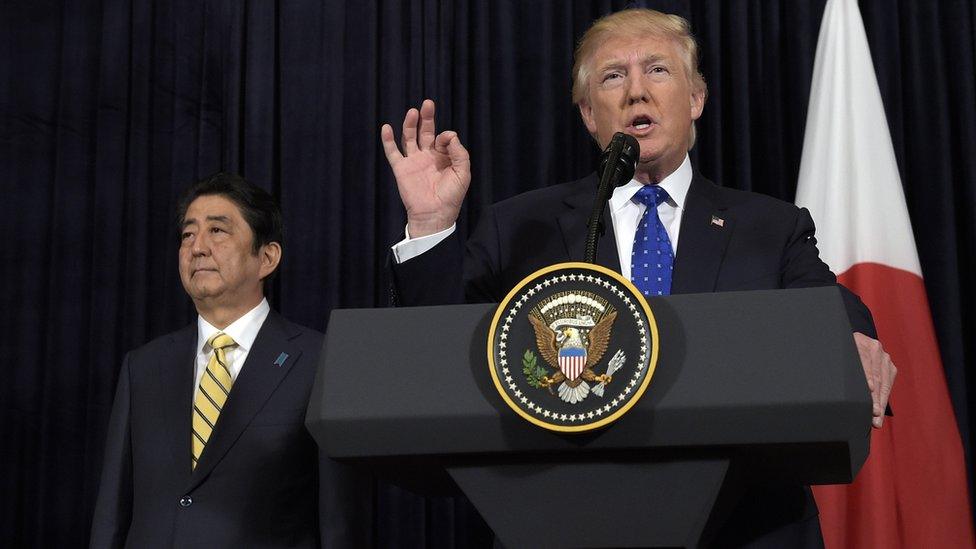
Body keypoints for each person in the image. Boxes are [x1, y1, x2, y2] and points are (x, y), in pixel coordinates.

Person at [381, 8, 895, 547]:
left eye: (657, 70)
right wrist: (433, 227)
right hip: (563, 520)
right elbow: (434, 356)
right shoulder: (521, 227)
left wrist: (853, 337)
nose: (635, 92)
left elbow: (822, 297)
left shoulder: (770, 225)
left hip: (744, 526)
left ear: (696, 99)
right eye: (612, 76)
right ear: (587, 113)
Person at [90, 173, 367, 548]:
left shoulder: (319, 362)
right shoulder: (143, 367)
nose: (198, 247)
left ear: (267, 257)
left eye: (217, 231)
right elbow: (112, 514)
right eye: (188, 234)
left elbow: (340, 522)